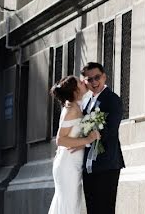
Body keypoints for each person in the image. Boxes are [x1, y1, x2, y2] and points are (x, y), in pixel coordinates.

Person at [48, 76, 101, 214]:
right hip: (67, 165)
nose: (84, 81)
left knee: (70, 206)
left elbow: (74, 136)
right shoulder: (71, 109)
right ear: (75, 90)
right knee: (69, 207)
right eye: (80, 81)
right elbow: (60, 140)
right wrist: (88, 140)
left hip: (73, 164)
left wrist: (84, 143)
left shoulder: (77, 106)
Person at [79, 62, 125, 214]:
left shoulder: (112, 99)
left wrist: (92, 136)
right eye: (89, 79)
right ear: (85, 81)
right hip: (89, 165)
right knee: (92, 209)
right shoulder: (86, 102)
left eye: (97, 77)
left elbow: (111, 130)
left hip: (107, 163)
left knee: (105, 209)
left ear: (104, 77)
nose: (94, 82)